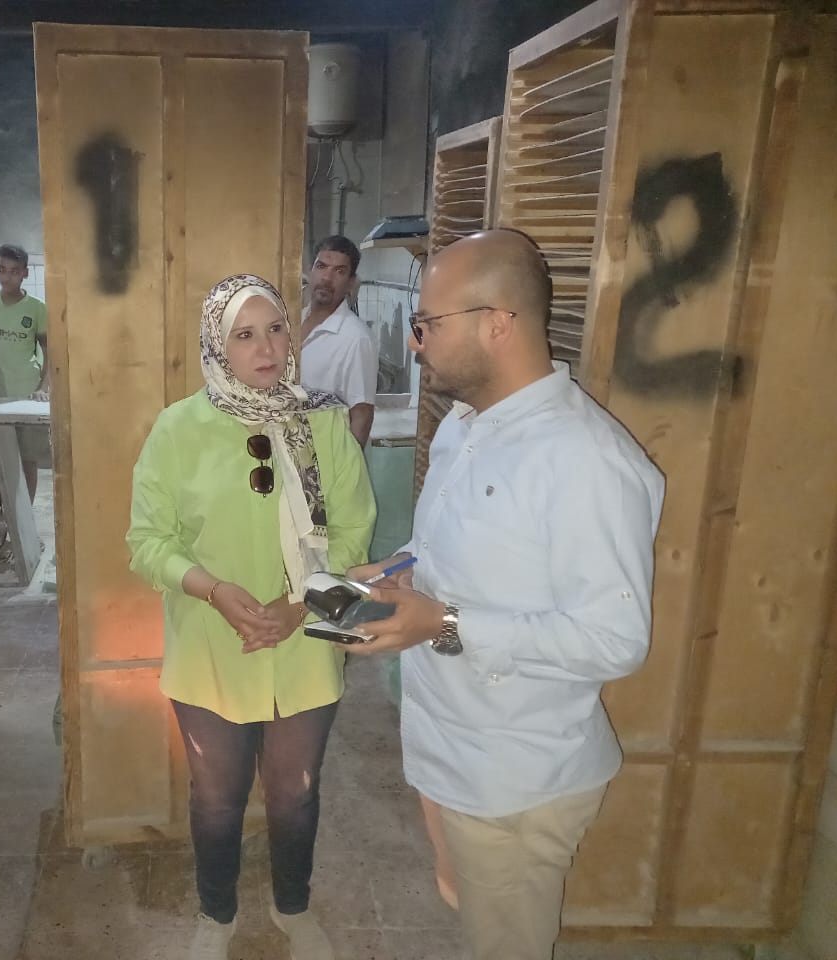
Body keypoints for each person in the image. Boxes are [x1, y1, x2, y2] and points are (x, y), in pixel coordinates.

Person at [345, 229, 665, 960]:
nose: (416, 342)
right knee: (469, 914)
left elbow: (615, 640)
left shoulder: (584, 460)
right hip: (447, 747)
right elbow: (451, 549)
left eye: (428, 323)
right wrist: (398, 570)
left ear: (497, 323)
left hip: (514, 778)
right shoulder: (465, 427)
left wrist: (443, 621)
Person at [127, 274, 376, 960]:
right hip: (213, 647)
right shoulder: (179, 429)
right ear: (218, 346)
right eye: (244, 335)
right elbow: (147, 542)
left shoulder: (323, 422)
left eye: (275, 330)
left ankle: (293, 907)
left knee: (295, 794)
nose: (266, 348)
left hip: (306, 641)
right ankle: (217, 914)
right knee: (216, 798)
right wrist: (212, 590)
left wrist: (300, 605)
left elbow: (355, 533)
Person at [0, 243, 50, 501]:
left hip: (25, 391)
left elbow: (51, 353)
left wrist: (43, 387)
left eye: (14, 271)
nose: (7, 277)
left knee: (26, 459)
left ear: (25, 273)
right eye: (2, 269)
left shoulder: (37, 308)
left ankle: (25, 517)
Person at [300, 236, 378, 448]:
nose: (327, 277)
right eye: (321, 266)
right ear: (310, 271)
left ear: (351, 282)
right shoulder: (291, 322)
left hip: (327, 454)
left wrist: (350, 466)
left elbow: (362, 416)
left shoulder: (356, 338)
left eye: (339, 271)